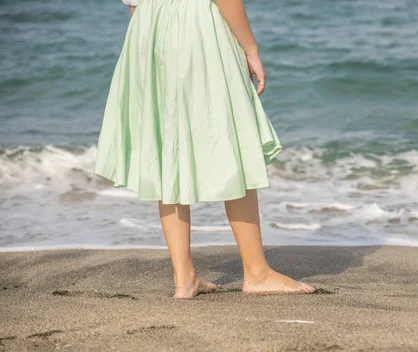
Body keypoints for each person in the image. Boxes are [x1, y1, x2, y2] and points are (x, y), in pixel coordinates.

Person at [94, 0, 316, 298]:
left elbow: (133, 3)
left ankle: (184, 278)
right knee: (233, 139)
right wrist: (251, 50)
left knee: (166, 148)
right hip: (199, 27)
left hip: (146, 29)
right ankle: (257, 273)